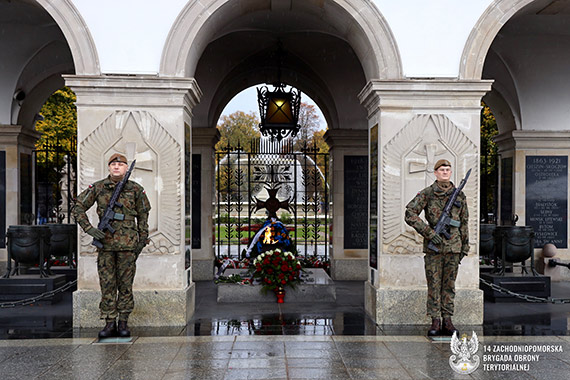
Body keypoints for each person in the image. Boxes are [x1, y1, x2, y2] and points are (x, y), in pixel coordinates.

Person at [73, 153, 151, 338]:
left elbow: (143, 215)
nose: (117, 167)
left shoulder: (135, 189)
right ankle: (109, 322)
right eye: (113, 164)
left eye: (120, 164)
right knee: (107, 284)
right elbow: (78, 206)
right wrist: (89, 229)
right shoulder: (99, 188)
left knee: (125, 285)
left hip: (128, 246)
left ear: (125, 168)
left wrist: (142, 240)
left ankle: (123, 321)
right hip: (106, 245)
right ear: (109, 167)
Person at [404, 159, 469, 337]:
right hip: (434, 247)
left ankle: (447, 320)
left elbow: (464, 222)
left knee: (449, 285)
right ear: (435, 173)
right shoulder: (428, 193)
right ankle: (435, 320)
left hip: (453, 247)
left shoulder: (459, 195)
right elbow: (410, 213)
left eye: (448, 170)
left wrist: (465, 245)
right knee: (434, 284)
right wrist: (429, 233)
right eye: (442, 170)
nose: (445, 172)